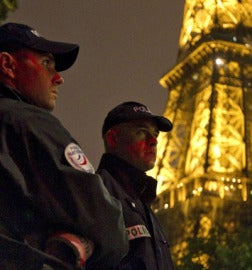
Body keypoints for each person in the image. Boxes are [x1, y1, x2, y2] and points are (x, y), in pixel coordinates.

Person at [0, 22, 128, 269]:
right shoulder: (27, 123)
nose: (58, 78)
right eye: (46, 63)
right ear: (8, 65)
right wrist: (79, 243)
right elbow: (107, 225)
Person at [95, 101, 174, 269]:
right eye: (141, 132)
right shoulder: (97, 193)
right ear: (113, 139)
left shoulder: (143, 204)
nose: (153, 141)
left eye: (155, 134)